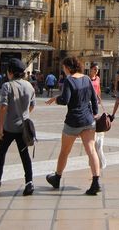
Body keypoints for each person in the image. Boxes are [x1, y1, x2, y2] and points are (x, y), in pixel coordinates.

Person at [45, 56, 101, 196]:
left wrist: (55, 99)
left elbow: (65, 100)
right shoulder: (87, 79)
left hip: (73, 121)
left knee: (64, 152)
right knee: (91, 151)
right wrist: (94, 114)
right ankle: (96, 182)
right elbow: (94, 99)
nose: (63, 70)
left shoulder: (69, 80)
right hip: (88, 120)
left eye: (64, 67)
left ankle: (57, 178)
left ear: (68, 68)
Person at [0, 58, 36, 196]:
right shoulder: (29, 86)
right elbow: (32, 105)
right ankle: (29, 182)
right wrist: (24, 116)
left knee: (1, 153)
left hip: (8, 127)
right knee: (24, 155)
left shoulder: (7, 86)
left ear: (10, 72)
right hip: (23, 129)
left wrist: (0, 127)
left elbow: (3, 107)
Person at [89, 63, 107, 170]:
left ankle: (92, 130)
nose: (96, 71)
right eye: (95, 69)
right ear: (90, 69)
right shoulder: (87, 79)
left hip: (95, 101)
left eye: (97, 69)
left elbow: (98, 89)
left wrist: (99, 98)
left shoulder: (98, 78)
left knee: (94, 117)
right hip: (88, 101)